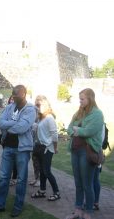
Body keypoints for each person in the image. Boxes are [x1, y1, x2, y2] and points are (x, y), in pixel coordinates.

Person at [0, 85, 36, 217]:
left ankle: (18, 206)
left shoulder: (30, 110)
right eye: (13, 94)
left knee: (21, 179)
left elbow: (22, 128)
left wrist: (9, 124)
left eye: (16, 95)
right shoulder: (10, 107)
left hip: (22, 149)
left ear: (24, 94)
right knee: (3, 177)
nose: (13, 97)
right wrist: (13, 124)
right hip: (8, 147)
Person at [65, 88, 104, 219]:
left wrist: (78, 130)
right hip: (75, 151)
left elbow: (90, 131)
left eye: (82, 99)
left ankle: (88, 211)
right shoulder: (78, 113)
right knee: (78, 183)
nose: (80, 101)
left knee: (87, 184)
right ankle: (78, 210)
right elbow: (69, 127)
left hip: (87, 151)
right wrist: (75, 130)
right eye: (80, 99)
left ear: (90, 99)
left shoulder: (97, 114)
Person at [30, 95, 60, 201]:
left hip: (47, 148)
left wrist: (55, 148)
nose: (37, 107)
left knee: (47, 171)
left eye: (39, 105)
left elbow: (54, 135)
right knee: (42, 171)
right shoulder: (40, 117)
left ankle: (56, 192)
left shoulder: (49, 118)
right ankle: (42, 191)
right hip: (39, 147)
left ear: (45, 105)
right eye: (36, 105)